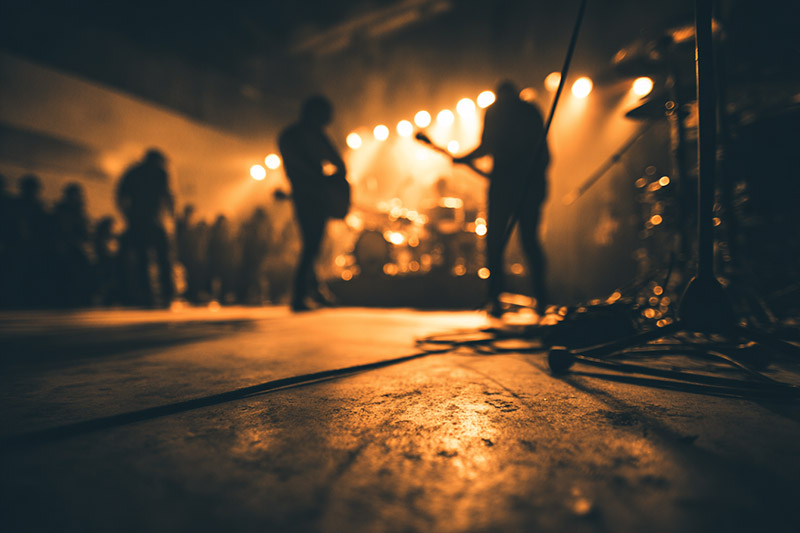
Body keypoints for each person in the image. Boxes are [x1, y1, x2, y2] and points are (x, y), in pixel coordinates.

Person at [453, 80, 550, 317]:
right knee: (530, 241)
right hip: (529, 185)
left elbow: (487, 145)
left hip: (506, 186)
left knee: (495, 242)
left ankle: (494, 299)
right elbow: (545, 153)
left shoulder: (496, 111)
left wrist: (464, 158)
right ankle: (541, 298)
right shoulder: (531, 110)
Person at [279, 95, 348, 311]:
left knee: (313, 243)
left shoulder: (289, 135)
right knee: (312, 244)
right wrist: (326, 181)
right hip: (312, 197)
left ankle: (314, 290)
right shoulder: (306, 135)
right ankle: (300, 295)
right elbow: (338, 163)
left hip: (306, 195)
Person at [115, 148, 175, 307]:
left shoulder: (133, 172)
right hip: (154, 221)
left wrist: (127, 216)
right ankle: (167, 294)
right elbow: (168, 196)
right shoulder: (160, 173)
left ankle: (145, 295)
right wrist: (171, 216)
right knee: (163, 258)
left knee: (142, 259)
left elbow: (120, 195)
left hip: (137, 221)